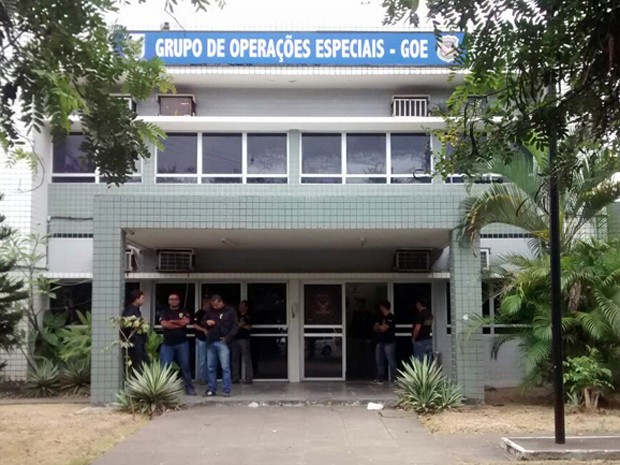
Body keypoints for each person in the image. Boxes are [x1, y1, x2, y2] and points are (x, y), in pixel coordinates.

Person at [160, 292, 196, 396]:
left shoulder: (184, 310)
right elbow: (165, 325)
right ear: (168, 301)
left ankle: (189, 388)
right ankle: (163, 390)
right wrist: (179, 323)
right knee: (165, 368)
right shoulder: (164, 311)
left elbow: (186, 322)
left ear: (179, 301)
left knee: (185, 366)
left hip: (182, 344)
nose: (173, 301)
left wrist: (173, 322)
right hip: (167, 345)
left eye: (176, 299)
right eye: (171, 299)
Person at [202, 294, 238, 397]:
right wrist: (206, 322)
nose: (215, 307)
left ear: (221, 302)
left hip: (223, 342)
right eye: (213, 305)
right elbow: (202, 322)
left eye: (217, 305)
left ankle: (226, 390)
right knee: (211, 367)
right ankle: (211, 389)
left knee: (225, 367)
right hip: (211, 341)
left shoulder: (230, 311)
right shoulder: (210, 311)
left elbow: (235, 326)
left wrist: (228, 337)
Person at [121, 289, 149, 373]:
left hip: (139, 342)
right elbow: (128, 325)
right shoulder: (130, 310)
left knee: (144, 363)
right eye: (142, 298)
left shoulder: (136, 310)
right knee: (139, 365)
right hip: (135, 342)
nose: (143, 300)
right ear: (136, 299)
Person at [370, 300, 397, 385]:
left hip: (389, 342)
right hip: (380, 341)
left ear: (384, 306)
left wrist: (379, 327)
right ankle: (380, 378)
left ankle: (394, 378)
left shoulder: (391, 317)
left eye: (381, 306)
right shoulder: (379, 317)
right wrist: (379, 327)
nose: (379, 308)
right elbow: (375, 328)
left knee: (391, 360)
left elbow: (384, 328)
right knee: (379, 361)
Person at [231, 300, 253, 384]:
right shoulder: (236, 316)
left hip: (244, 340)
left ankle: (249, 377)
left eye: (242, 305)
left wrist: (242, 326)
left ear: (246, 307)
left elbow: (249, 327)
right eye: (240, 305)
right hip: (235, 339)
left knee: (247, 358)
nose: (240, 307)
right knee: (234, 359)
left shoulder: (248, 317)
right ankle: (235, 377)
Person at [193, 295, 211, 384]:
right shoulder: (199, 313)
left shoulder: (211, 313)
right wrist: (203, 330)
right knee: (202, 360)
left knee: (209, 360)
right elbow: (195, 325)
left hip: (210, 340)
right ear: (205, 303)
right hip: (201, 339)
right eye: (208, 302)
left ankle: (209, 378)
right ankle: (202, 379)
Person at [412, 298, 433, 362]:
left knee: (419, 362)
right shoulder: (430, 314)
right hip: (428, 340)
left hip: (420, 341)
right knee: (428, 361)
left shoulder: (420, 314)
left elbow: (417, 328)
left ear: (419, 304)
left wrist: (413, 338)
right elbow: (428, 325)